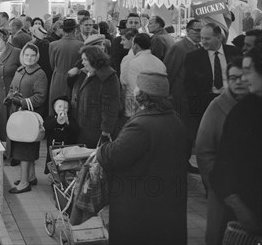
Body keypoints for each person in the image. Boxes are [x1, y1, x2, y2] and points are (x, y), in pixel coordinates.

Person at [97, 71, 190, 245]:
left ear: (144, 94)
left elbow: (113, 155)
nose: (134, 90)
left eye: (138, 87)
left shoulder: (142, 125)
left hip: (139, 203)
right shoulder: (175, 119)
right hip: (164, 202)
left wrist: (100, 150)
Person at [195, 57, 248, 245]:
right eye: (234, 78)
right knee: (222, 234)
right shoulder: (217, 106)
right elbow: (204, 150)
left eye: (244, 77)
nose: (239, 82)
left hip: (251, 189)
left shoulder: (254, 106)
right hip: (224, 189)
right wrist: (217, 186)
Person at [211, 45, 262, 238]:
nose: (244, 78)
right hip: (247, 210)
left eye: (248, 71)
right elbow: (223, 162)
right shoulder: (243, 111)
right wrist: (239, 208)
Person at [5, 43, 48, 194]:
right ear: (22, 55)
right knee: (24, 146)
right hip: (19, 115)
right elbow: (12, 88)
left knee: (25, 148)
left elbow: (40, 97)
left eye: (32, 55)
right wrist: (10, 97)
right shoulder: (20, 70)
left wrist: (22, 102)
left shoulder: (39, 74)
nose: (29, 58)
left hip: (29, 118)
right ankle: (30, 176)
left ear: (37, 57)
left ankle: (23, 183)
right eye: (26, 55)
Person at [184, 22, 240, 131]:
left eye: (207, 39)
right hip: (205, 103)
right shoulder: (193, 57)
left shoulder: (234, 52)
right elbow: (189, 84)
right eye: (202, 38)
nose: (203, 41)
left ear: (219, 37)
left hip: (231, 100)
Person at [69, 46, 121, 148]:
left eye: (85, 60)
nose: (82, 62)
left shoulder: (108, 77)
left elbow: (111, 107)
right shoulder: (84, 73)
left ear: (94, 60)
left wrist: (106, 132)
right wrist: (71, 76)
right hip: (82, 126)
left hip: (96, 130)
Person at [164, 19, 202, 142]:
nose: (200, 33)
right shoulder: (179, 47)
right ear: (188, 31)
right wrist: (167, 94)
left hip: (195, 95)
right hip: (180, 96)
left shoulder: (200, 46)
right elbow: (170, 71)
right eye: (197, 30)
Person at [0, 28, 21, 151]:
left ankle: (15, 152)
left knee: (14, 123)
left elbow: (22, 71)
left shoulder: (16, 52)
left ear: (5, 40)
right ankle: (2, 151)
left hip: (14, 94)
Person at [122, 33, 167, 119]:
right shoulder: (159, 62)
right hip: (159, 108)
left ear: (136, 46)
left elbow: (133, 89)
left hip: (139, 110)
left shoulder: (134, 62)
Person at [48, 18, 82, 113]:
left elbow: (52, 64)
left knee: (55, 107)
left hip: (57, 79)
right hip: (74, 79)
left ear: (63, 30)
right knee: (71, 108)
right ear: (75, 30)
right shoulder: (81, 45)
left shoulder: (53, 45)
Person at [43, 97, 79, 175]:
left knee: (64, 166)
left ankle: (62, 178)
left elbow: (76, 129)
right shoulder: (50, 118)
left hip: (65, 148)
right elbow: (46, 126)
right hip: (52, 147)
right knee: (52, 164)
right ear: (54, 108)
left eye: (65, 107)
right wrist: (56, 120)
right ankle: (53, 179)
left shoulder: (71, 120)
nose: (62, 109)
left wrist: (68, 122)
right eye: (59, 107)